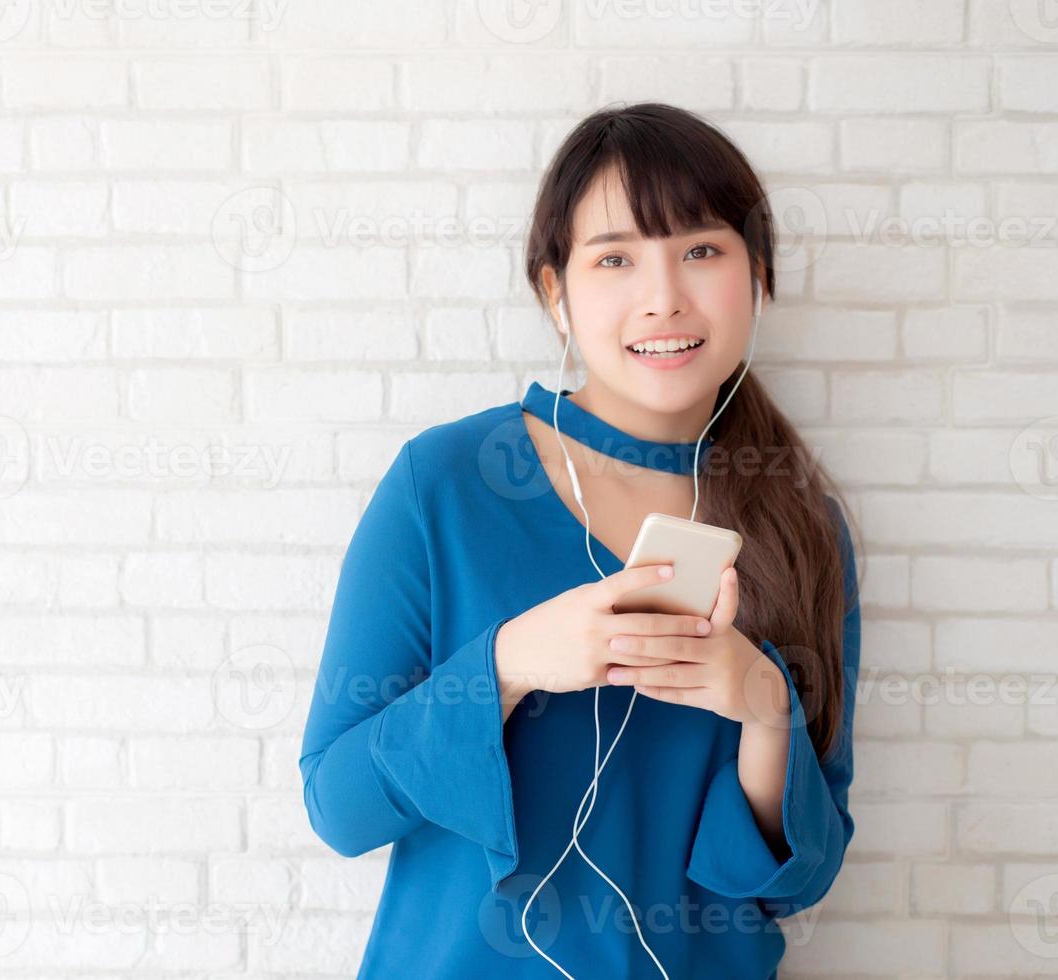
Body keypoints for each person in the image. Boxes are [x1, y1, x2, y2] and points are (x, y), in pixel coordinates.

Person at [297, 102, 862, 979]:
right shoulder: (445, 484)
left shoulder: (798, 525)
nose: (665, 295)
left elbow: (796, 880)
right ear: (555, 294)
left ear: (758, 277)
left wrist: (761, 703)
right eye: (615, 259)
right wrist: (513, 661)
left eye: (703, 250)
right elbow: (339, 804)